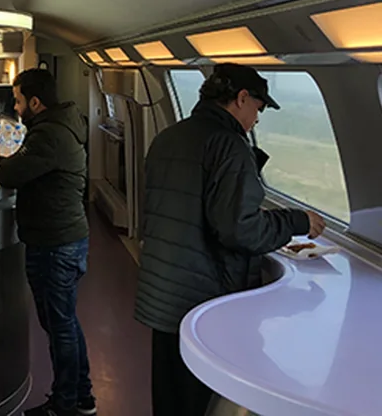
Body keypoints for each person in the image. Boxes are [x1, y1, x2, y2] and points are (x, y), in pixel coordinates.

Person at [134, 63, 327, 416]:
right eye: (258, 108)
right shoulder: (229, 145)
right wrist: (296, 221)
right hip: (201, 297)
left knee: (168, 392)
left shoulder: (169, 137)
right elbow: (240, 230)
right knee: (197, 399)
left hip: (164, 290)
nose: (257, 118)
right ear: (241, 98)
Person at [0, 68, 96, 416]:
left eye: (18, 101)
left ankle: (64, 405)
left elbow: (11, 174)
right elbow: (28, 166)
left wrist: (0, 165)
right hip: (65, 237)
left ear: (35, 102)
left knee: (60, 326)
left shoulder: (48, 134)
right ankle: (82, 396)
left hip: (53, 243)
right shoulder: (62, 127)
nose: (16, 108)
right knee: (66, 322)